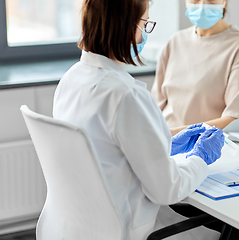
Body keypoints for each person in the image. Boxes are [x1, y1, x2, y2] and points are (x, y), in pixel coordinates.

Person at [51, 0, 224, 240]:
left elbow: (104, 153)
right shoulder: (126, 95)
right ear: (124, 26)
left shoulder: (71, 79)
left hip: (77, 226)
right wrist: (201, 157)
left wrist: (167, 145)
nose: (144, 33)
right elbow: (167, 190)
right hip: (126, 228)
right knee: (229, 232)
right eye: (144, 23)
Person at [151, 0, 239, 136]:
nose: (202, 4)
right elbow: (154, 106)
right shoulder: (175, 41)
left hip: (205, 145)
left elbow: (236, 118)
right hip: (164, 140)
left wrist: (177, 133)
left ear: (224, 2)